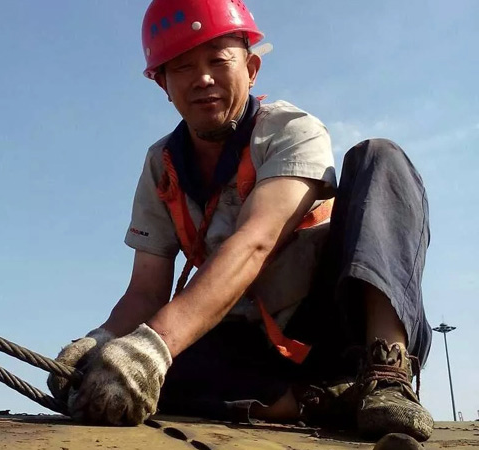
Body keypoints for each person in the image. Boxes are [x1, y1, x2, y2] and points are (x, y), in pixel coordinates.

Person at [48, 0, 434, 442]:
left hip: (334, 322)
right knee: (130, 378)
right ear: (163, 84)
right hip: (251, 343)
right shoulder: (162, 165)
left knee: (379, 156)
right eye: (182, 67)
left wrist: (153, 345)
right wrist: (101, 343)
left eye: (218, 60)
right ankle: (321, 400)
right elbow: (146, 291)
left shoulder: (291, 130)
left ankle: (386, 373)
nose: (202, 79)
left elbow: (256, 240)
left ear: (251, 69)